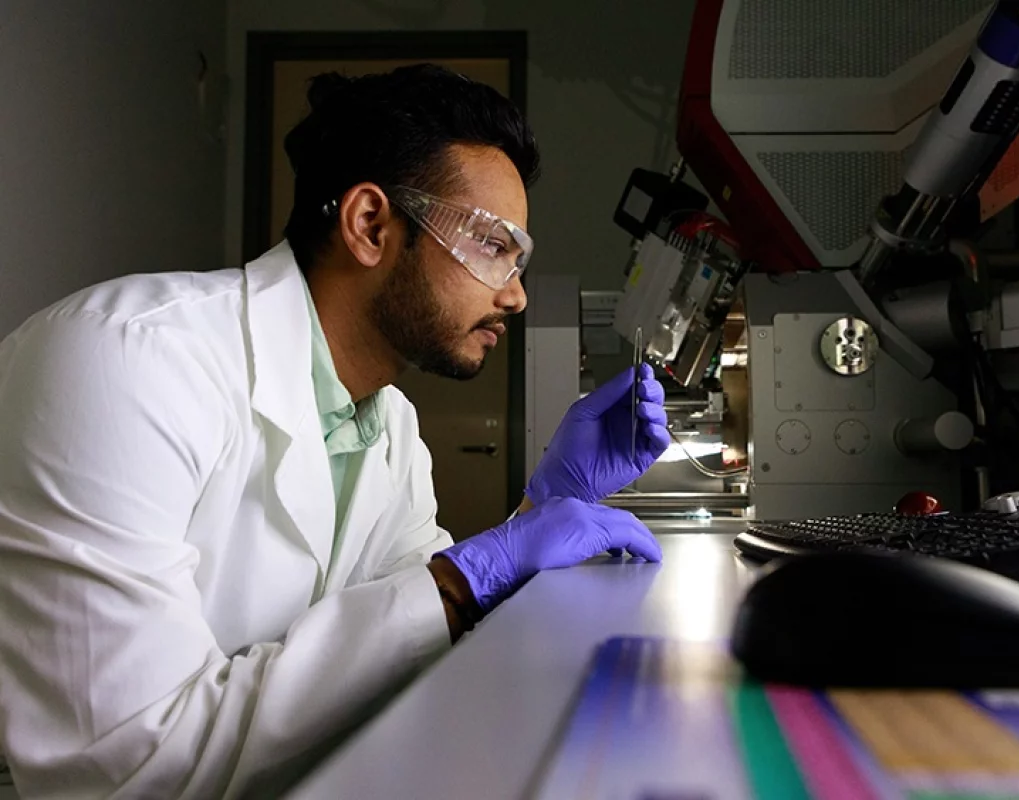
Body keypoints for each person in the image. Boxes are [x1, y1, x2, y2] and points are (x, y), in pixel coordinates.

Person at [0, 64, 670, 798]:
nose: (513, 294)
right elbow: (126, 770)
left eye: (519, 260)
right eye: (492, 245)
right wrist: (469, 574)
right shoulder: (123, 360)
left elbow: (421, 647)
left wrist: (537, 515)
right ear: (370, 225)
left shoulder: (385, 427)